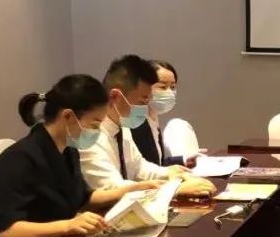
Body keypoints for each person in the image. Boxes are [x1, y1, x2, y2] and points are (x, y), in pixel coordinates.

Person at [0, 75, 164, 237]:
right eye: (94, 125)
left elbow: (83, 198)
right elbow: (8, 234)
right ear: (68, 116)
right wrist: (68, 226)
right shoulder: (18, 159)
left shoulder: (68, 151)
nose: (97, 131)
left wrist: (133, 189)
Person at [79, 55, 214, 197]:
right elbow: (112, 188)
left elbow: (139, 168)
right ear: (115, 96)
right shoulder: (88, 136)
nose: (145, 107)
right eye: (142, 101)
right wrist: (173, 189)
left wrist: (170, 173)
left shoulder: (122, 126)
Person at [132, 59, 188, 167]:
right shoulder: (135, 124)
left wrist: (184, 160)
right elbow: (140, 169)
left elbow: (156, 162)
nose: (169, 92)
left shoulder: (153, 118)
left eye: (172, 87)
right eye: (163, 87)